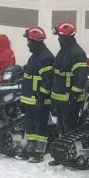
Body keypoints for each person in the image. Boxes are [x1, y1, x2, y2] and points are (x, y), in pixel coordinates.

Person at [48, 20, 89, 166]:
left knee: (69, 127)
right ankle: (61, 154)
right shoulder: (63, 51)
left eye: (60, 37)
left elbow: (80, 77)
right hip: (59, 96)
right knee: (60, 127)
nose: (58, 40)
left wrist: (73, 95)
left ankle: (72, 155)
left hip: (70, 98)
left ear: (68, 37)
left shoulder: (78, 53)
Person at [19, 26, 54, 162]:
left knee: (40, 125)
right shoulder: (34, 56)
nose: (27, 44)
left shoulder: (46, 57)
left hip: (39, 100)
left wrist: (41, 98)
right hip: (29, 99)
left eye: (29, 41)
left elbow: (47, 80)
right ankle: (31, 147)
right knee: (30, 125)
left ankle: (39, 151)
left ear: (35, 42)